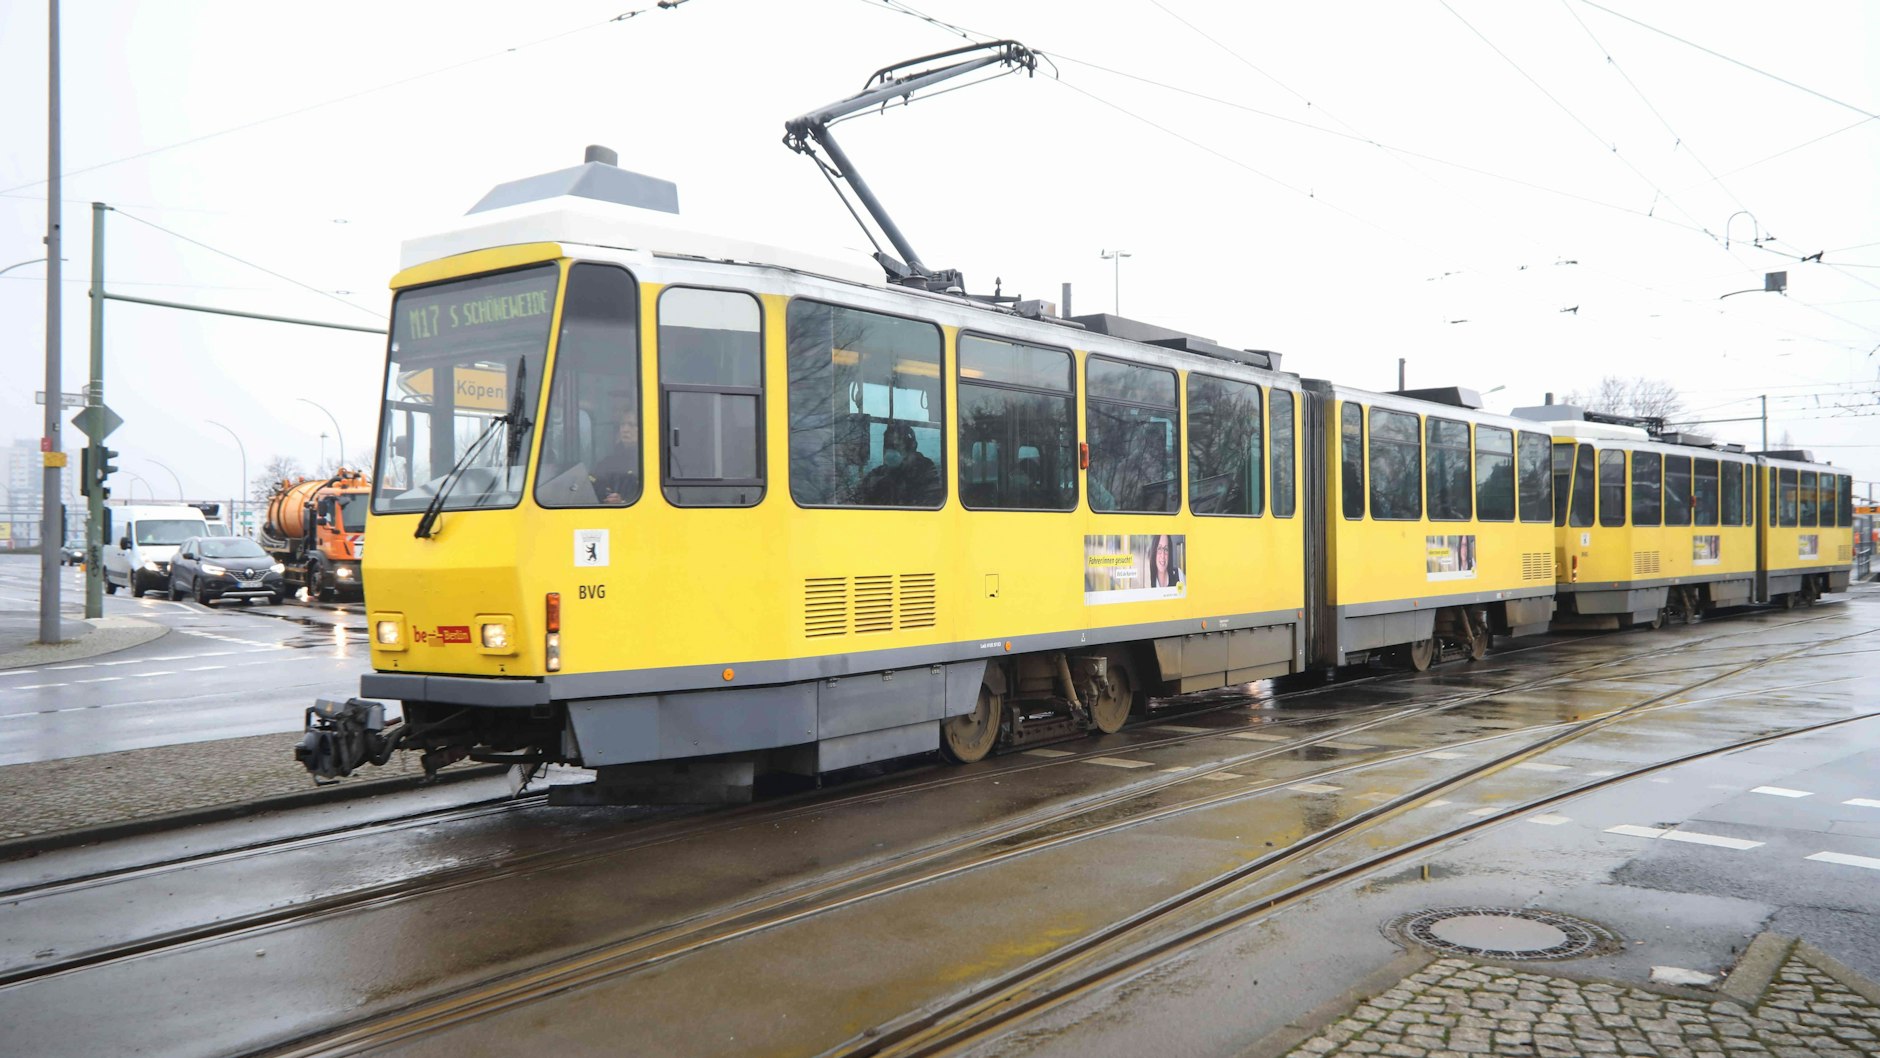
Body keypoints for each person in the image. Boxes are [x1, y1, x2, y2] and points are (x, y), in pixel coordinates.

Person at [861, 421, 939, 506]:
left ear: (911, 448)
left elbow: (929, 506)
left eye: (895, 447)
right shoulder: (878, 474)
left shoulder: (926, 473)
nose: (889, 452)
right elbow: (859, 500)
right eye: (887, 446)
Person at [592, 413, 640, 504]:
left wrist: (623, 502)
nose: (625, 430)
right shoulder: (609, 461)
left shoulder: (654, 461)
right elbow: (595, 483)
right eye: (622, 425)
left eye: (632, 425)